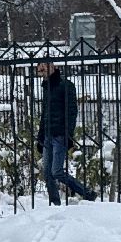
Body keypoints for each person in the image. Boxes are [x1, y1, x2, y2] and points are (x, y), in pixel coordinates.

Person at [35, 58, 96, 204]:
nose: (42, 68)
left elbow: (72, 111)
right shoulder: (46, 86)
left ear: (54, 66)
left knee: (56, 171)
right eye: (40, 66)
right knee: (48, 173)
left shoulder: (65, 85)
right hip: (48, 135)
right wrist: (40, 136)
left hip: (60, 135)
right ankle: (55, 203)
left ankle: (86, 192)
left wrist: (68, 134)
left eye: (46, 65)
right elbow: (45, 114)